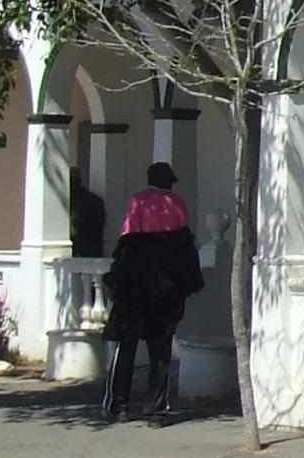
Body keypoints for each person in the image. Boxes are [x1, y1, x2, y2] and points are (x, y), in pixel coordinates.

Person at [101, 162, 205, 422]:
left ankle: (119, 406)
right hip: (166, 287)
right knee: (161, 350)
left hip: (137, 284)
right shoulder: (177, 204)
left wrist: (117, 281)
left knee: (127, 346)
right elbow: (185, 246)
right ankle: (156, 410)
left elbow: (126, 241)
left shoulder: (138, 202)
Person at [69, 173, 107, 259]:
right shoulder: (69, 199)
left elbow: (98, 224)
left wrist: (77, 223)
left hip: (87, 248)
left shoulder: (93, 201)